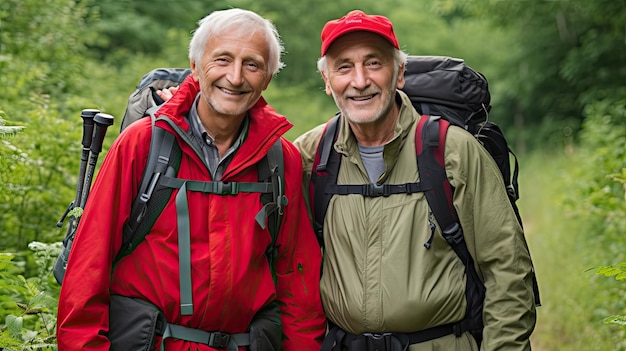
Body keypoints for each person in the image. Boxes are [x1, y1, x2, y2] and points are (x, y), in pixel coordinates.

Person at [56, 8, 326, 351]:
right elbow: (88, 267)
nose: (236, 76)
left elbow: (296, 279)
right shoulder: (144, 144)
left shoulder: (279, 159)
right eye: (222, 59)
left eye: (253, 64)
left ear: (269, 76)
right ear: (196, 66)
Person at [292, 10, 538, 351]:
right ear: (326, 80)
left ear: (400, 72)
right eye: (344, 66)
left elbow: (507, 270)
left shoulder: (452, 150)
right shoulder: (310, 155)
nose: (360, 80)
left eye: (374, 63)